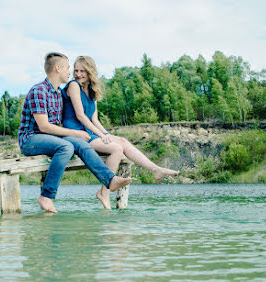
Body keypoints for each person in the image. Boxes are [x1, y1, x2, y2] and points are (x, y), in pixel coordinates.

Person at [18, 52, 132, 213]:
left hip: (52, 138)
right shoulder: (39, 91)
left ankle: (110, 180)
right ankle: (46, 196)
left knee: (80, 143)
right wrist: (76, 132)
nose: (69, 72)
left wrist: (83, 135)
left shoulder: (58, 93)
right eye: (67, 68)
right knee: (66, 147)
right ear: (57, 68)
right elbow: (44, 127)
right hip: (30, 140)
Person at [62, 56, 179, 210]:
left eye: (82, 71)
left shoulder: (91, 91)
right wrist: (102, 136)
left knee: (121, 140)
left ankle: (155, 170)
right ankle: (104, 192)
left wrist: (106, 134)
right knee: (116, 148)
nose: (78, 74)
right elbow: (80, 116)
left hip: (90, 131)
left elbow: (94, 118)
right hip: (76, 133)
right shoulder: (73, 86)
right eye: (76, 70)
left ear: (90, 72)